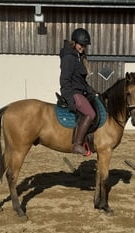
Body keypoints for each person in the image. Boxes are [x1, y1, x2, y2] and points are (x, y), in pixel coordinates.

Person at [59, 28, 96, 156]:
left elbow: (80, 80)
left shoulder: (78, 57)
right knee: (90, 114)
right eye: (81, 45)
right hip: (73, 93)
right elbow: (64, 80)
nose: (83, 48)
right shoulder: (69, 57)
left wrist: (91, 90)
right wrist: (70, 99)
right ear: (74, 43)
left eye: (84, 46)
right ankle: (77, 144)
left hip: (79, 91)